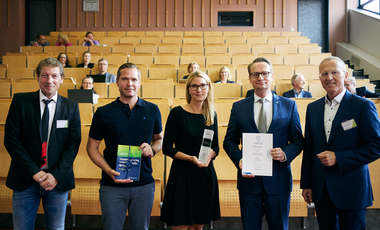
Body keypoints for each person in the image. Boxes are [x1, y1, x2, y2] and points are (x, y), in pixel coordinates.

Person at [223, 57, 304, 230]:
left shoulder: (289, 105)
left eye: (265, 73)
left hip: (279, 180)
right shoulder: (238, 107)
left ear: (272, 76)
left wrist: (285, 154)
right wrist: (239, 160)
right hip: (249, 183)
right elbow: (229, 141)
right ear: (250, 78)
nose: (261, 77)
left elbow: (298, 141)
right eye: (256, 74)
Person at [300, 56, 380, 230]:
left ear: (345, 75)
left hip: (352, 188)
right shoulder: (312, 108)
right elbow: (309, 149)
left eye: (334, 72)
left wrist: (339, 158)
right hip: (321, 189)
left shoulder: (363, 106)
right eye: (324, 73)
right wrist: (306, 184)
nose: (329, 77)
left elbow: (375, 147)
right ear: (320, 78)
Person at [4, 57, 81, 230]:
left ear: (61, 78)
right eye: (44, 75)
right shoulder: (20, 102)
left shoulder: (71, 107)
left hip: (57, 182)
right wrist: (35, 173)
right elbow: (11, 140)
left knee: (56, 228)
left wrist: (55, 175)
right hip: (25, 179)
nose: (49, 80)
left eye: (54, 76)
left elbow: (73, 144)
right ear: (37, 77)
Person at [86, 63, 163, 230]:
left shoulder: (152, 110)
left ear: (139, 82)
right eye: (125, 79)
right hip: (112, 184)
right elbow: (92, 147)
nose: (130, 83)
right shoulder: (103, 112)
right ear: (117, 82)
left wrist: (153, 149)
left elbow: (159, 139)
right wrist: (108, 170)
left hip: (143, 184)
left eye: (134, 79)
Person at [160, 71, 221, 229]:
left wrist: (210, 155)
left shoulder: (211, 115)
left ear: (208, 88)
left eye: (202, 85)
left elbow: (216, 147)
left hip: (204, 176)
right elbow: (166, 148)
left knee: (198, 227)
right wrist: (190, 158)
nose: (199, 89)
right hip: (182, 175)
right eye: (194, 86)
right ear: (188, 89)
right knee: (180, 225)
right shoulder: (177, 113)